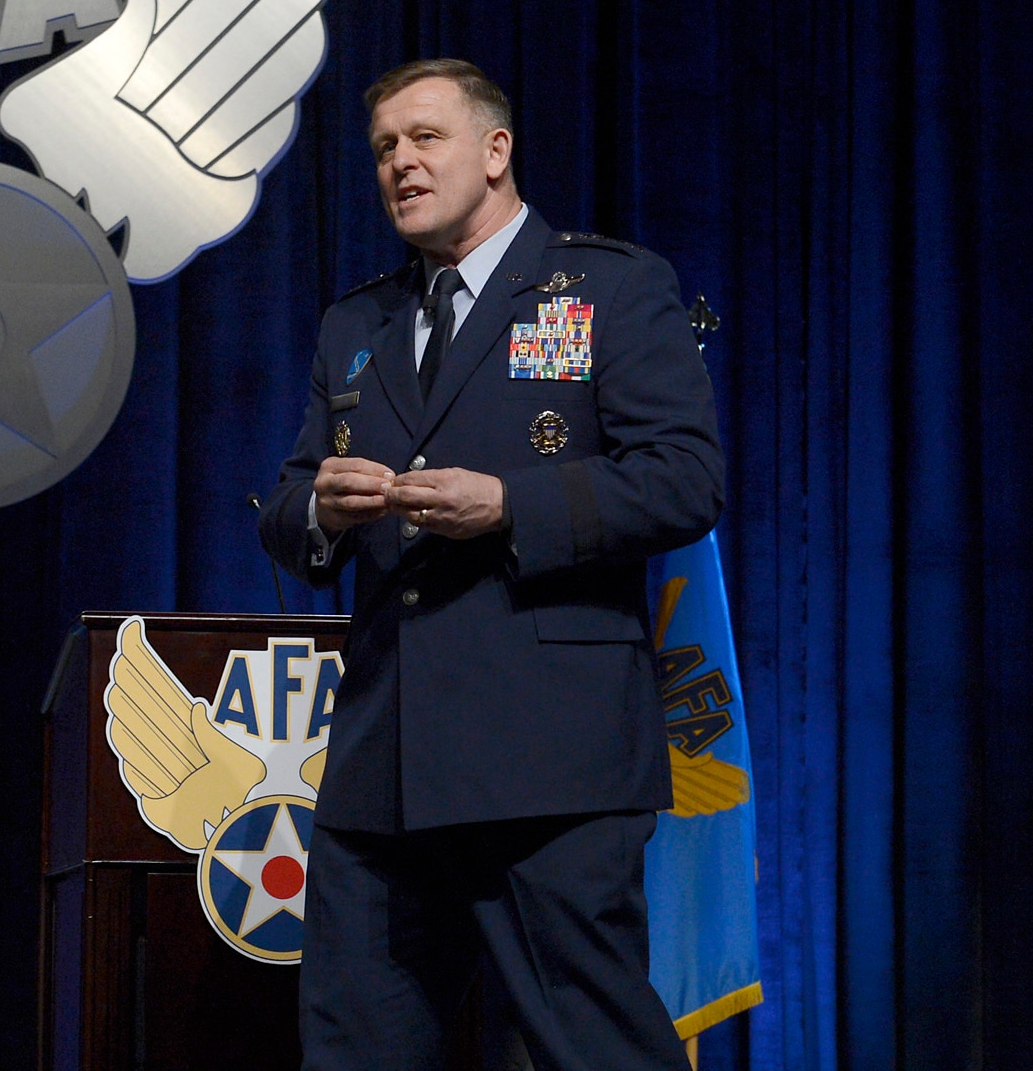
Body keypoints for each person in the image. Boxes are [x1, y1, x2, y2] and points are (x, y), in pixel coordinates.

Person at [258, 59, 724, 1070]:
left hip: (546, 756)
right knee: (351, 1051)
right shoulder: (357, 322)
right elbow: (290, 507)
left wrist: (511, 503)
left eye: (424, 138)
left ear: (495, 151)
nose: (400, 164)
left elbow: (686, 480)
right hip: (381, 770)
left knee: (588, 1047)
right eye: (383, 147)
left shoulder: (608, 285)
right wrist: (321, 513)